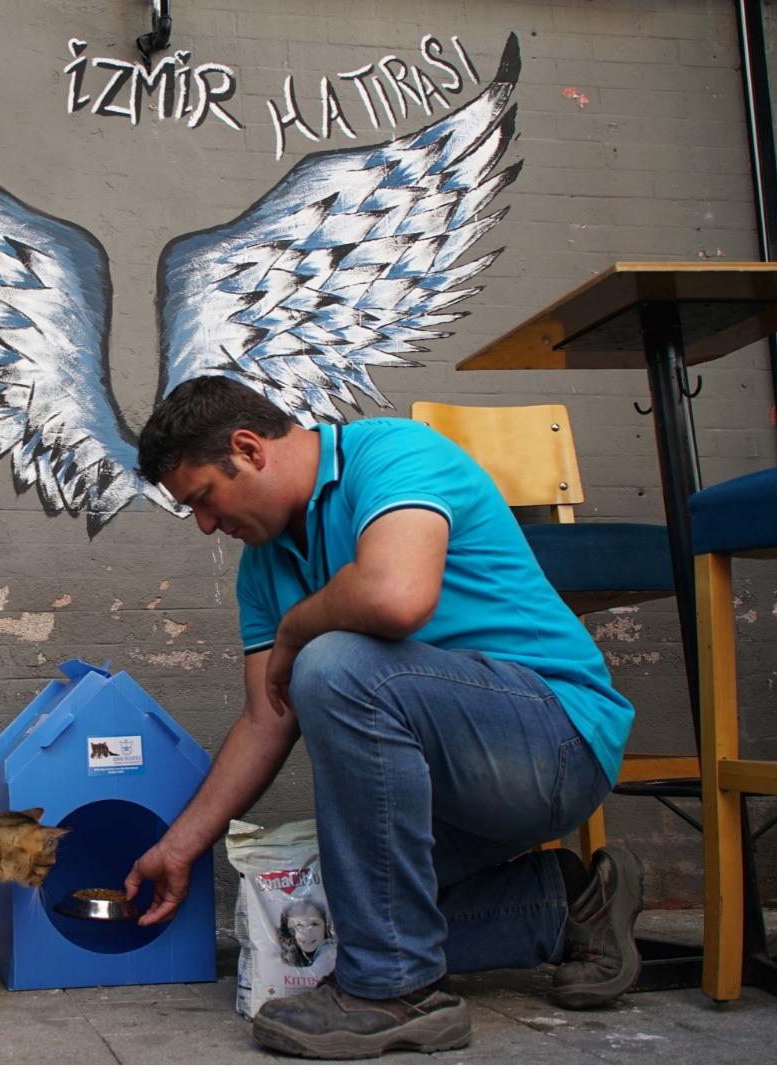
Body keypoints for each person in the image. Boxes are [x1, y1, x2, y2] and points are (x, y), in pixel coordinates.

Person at [123, 376, 642, 1059]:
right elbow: (266, 719)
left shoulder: (394, 454)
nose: (206, 525)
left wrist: (296, 630)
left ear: (248, 449)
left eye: (203, 499)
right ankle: (567, 905)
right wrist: (179, 846)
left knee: (333, 663)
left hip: (553, 743)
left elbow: (396, 598)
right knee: (322, 920)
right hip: (444, 794)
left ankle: (398, 993)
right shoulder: (263, 568)